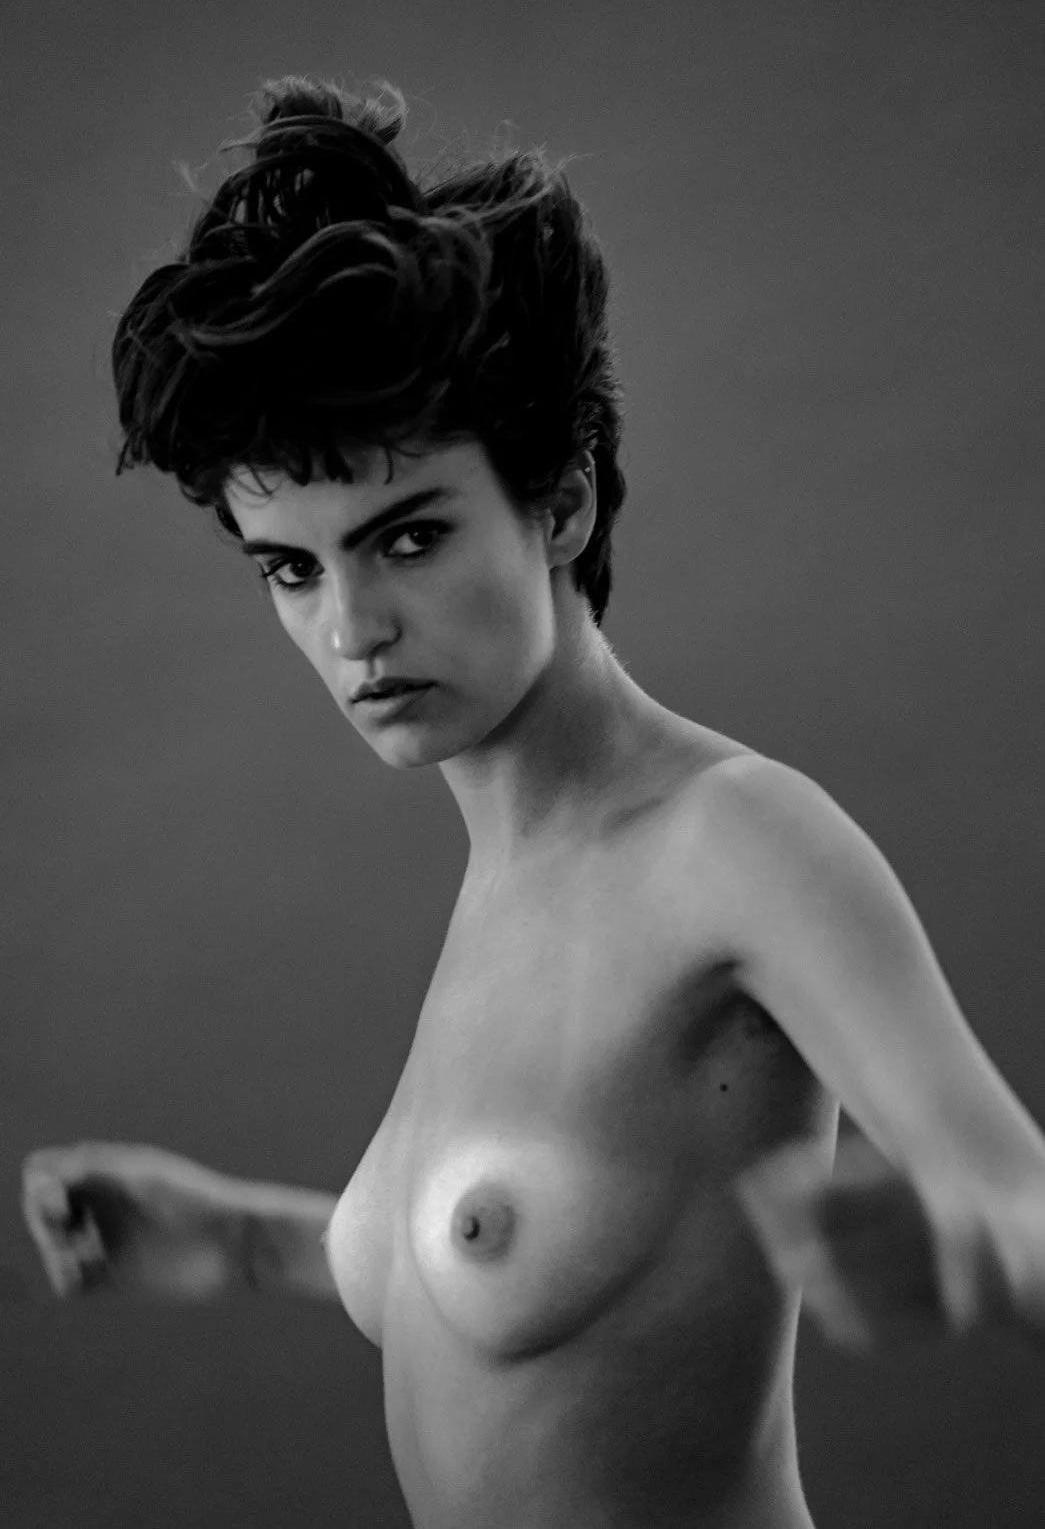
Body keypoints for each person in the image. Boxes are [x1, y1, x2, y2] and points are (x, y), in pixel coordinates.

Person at [21, 74, 1045, 1529]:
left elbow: (1020, 1201)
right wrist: (241, 1239)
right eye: (293, 568)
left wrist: (986, 1244)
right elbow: (551, 1273)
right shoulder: (502, 886)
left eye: (408, 537)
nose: (351, 629)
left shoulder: (735, 839)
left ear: (561, 503)